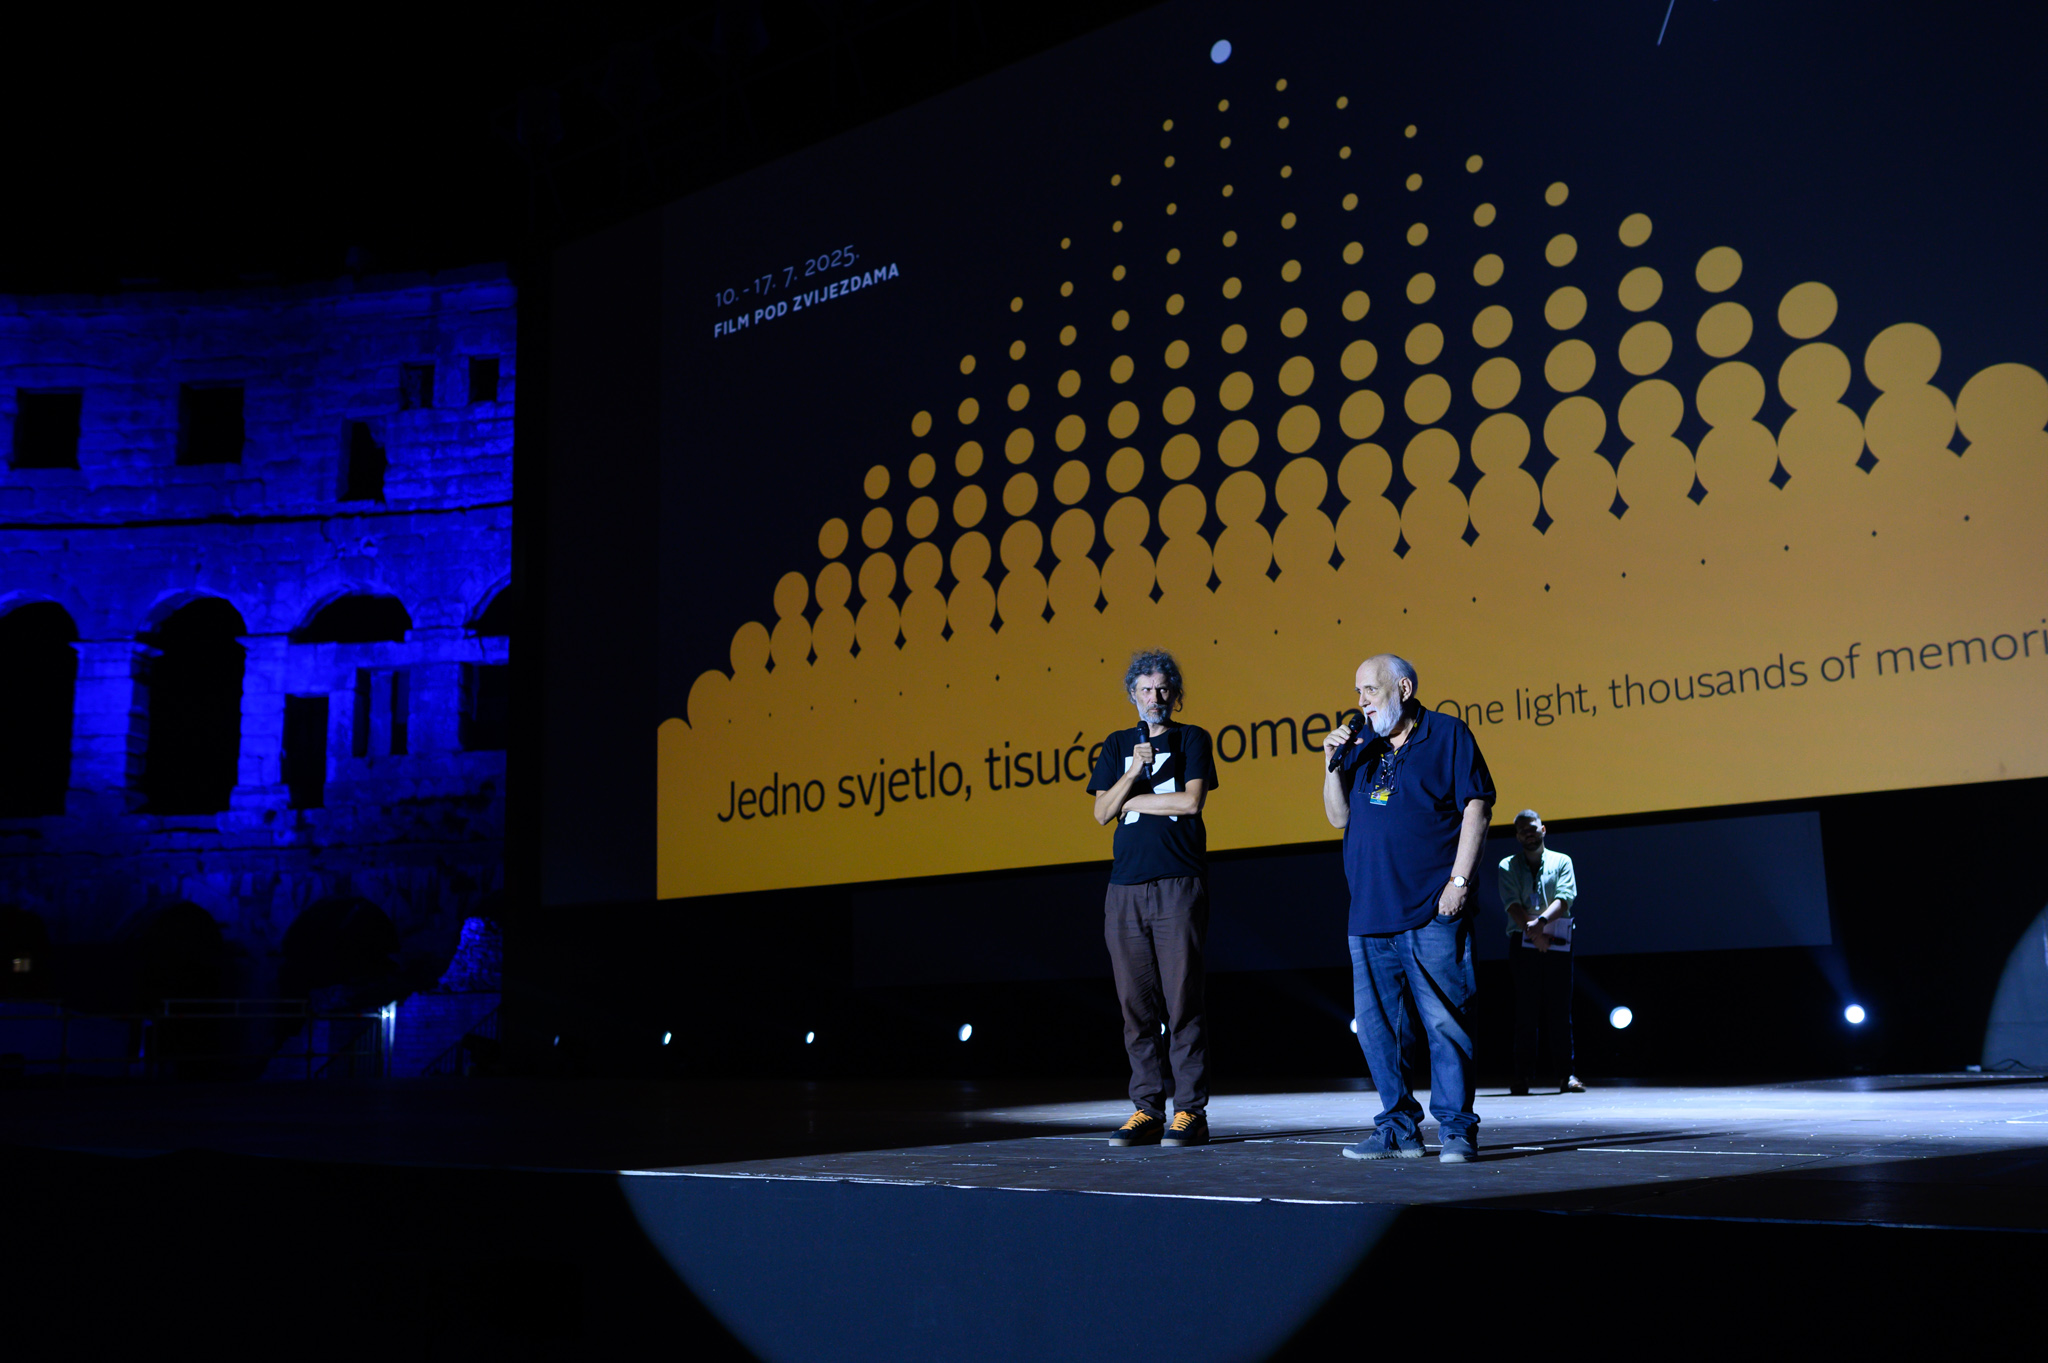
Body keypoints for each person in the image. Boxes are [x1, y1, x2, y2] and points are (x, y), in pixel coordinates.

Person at [1321, 654, 1494, 1163]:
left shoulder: (1447, 734)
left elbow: (1477, 806)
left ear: (1403, 688)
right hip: (1369, 913)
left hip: (1431, 907)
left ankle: (1457, 1131)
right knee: (1380, 1034)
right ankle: (1398, 1129)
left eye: (1370, 691)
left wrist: (1459, 882)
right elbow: (1338, 818)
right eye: (1357, 692)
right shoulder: (1362, 746)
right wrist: (1329, 764)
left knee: (1446, 1025)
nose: (1361, 702)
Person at [1087, 649, 1217, 1147]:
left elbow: (1191, 801)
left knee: (1182, 1000)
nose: (1154, 697)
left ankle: (1190, 1112)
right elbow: (1101, 813)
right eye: (1145, 690)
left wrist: (1131, 799)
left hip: (1177, 883)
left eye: (1162, 689)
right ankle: (1146, 1108)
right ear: (1133, 696)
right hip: (1124, 889)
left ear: (1175, 694)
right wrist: (1131, 775)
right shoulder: (1117, 745)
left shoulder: (1192, 738)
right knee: (1135, 1006)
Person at [1499, 809, 1583, 1095]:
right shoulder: (1507, 865)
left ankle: (1566, 1075)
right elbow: (1511, 903)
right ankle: (1522, 1077)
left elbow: (1565, 897)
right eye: (1523, 830)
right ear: (1517, 835)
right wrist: (1534, 933)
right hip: (1523, 944)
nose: (1529, 833)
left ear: (1543, 829)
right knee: (1526, 1011)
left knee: (1560, 1010)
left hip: (1557, 941)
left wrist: (1541, 925)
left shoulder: (1562, 861)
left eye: (1532, 828)